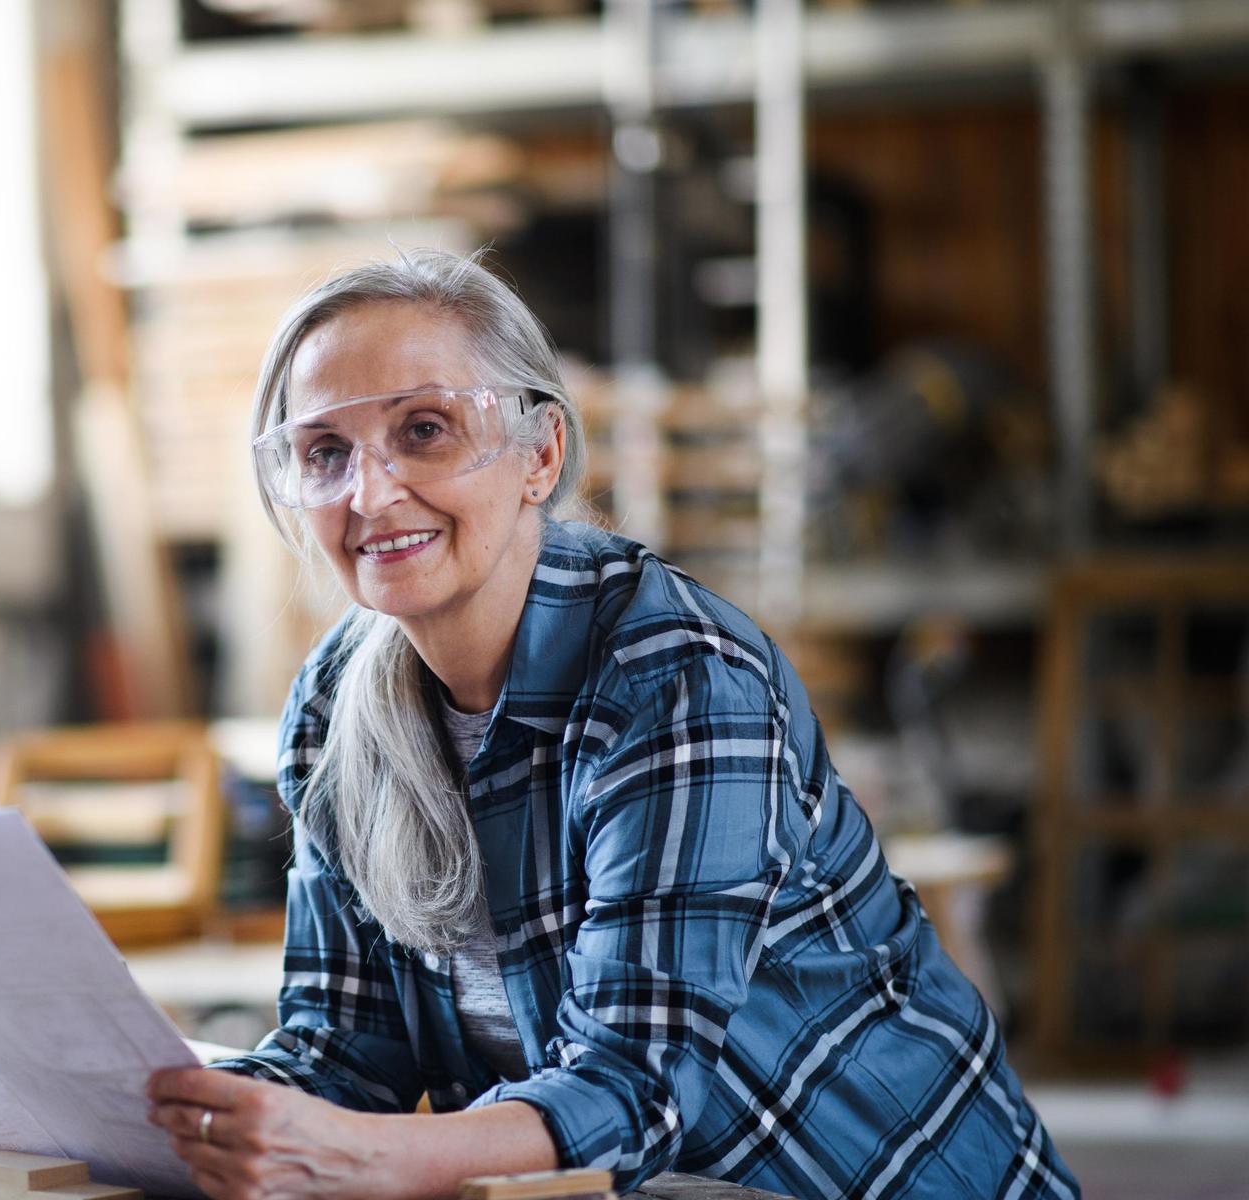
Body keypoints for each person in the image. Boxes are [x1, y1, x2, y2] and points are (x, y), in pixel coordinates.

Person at [145, 249, 1077, 1200]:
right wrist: (177, 1109)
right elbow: (345, 1052)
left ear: (539, 455)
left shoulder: (676, 676)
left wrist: (367, 1159)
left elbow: (632, 1092)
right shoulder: (336, 711)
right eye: (324, 453)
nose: (370, 493)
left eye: (424, 430)